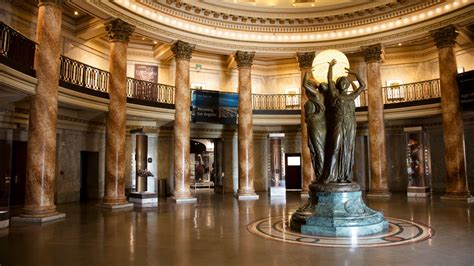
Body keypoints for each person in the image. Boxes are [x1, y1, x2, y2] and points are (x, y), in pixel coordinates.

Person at [321, 59, 366, 183]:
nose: (343, 83)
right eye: (341, 82)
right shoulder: (335, 95)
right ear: (339, 84)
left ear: (347, 85)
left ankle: (345, 175)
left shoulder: (351, 96)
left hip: (350, 124)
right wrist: (330, 67)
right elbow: (329, 81)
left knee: (348, 149)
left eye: (345, 82)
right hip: (339, 123)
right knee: (335, 147)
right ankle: (331, 175)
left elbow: (363, 86)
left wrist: (354, 74)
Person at [302, 73, 327, 181]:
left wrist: (306, 73)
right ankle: (319, 172)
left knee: (318, 148)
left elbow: (304, 84)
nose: (306, 91)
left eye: (308, 86)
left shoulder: (317, 95)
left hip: (317, 125)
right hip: (313, 124)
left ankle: (321, 173)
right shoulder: (311, 100)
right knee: (315, 149)